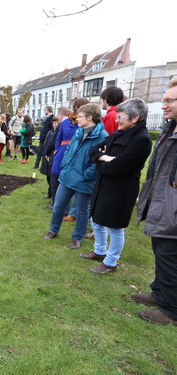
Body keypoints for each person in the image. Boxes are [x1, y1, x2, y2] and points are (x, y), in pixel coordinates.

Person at [78, 98, 152, 274]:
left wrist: (103, 162)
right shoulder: (119, 133)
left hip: (121, 189)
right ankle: (99, 251)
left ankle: (111, 262)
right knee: (96, 220)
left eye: (121, 116)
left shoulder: (142, 140)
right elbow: (94, 151)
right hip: (104, 184)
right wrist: (104, 158)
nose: (117, 120)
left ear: (135, 118)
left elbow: (118, 167)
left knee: (115, 227)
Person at [134, 79, 177, 324]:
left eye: (170, 101)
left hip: (172, 206)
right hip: (162, 201)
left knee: (171, 258)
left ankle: (171, 310)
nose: (164, 106)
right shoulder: (169, 129)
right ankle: (159, 293)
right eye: (164, 101)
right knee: (161, 253)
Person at [44, 103, 108, 249]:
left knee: (82, 211)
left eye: (79, 116)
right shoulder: (79, 131)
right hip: (68, 176)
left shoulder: (103, 137)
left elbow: (99, 161)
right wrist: (65, 164)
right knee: (58, 205)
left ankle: (77, 237)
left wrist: (87, 174)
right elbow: (69, 149)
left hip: (84, 180)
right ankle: (53, 230)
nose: (76, 118)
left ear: (90, 117)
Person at [51, 99, 88, 214]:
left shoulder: (85, 123)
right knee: (58, 179)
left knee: (73, 182)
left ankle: (73, 211)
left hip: (77, 155)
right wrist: (57, 150)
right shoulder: (65, 122)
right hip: (62, 153)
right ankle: (60, 207)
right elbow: (58, 137)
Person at [39, 116, 60, 200]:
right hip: (47, 156)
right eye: (53, 123)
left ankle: (53, 194)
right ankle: (50, 193)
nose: (55, 125)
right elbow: (46, 144)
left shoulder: (58, 133)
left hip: (53, 156)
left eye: (56, 123)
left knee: (53, 177)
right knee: (48, 176)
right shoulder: (50, 132)